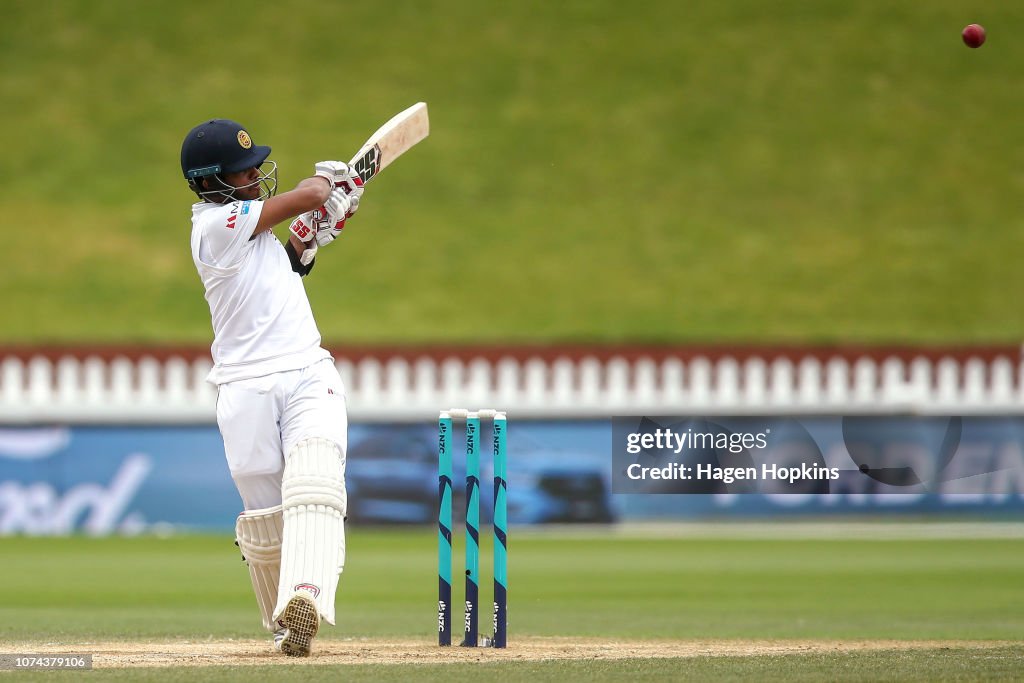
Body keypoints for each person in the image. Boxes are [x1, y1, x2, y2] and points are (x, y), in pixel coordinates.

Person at [180, 119, 363, 657]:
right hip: (244, 388)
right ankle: (286, 621)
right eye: (245, 169)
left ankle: (306, 595)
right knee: (265, 520)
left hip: (308, 370)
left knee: (316, 480)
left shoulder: (248, 228)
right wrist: (326, 192)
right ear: (212, 182)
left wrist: (306, 240)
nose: (257, 173)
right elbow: (306, 193)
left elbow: (281, 271)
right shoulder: (212, 228)